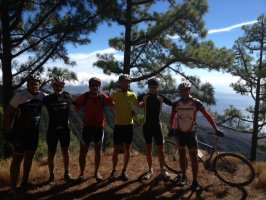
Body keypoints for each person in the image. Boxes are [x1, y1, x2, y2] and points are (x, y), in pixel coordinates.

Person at [170, 82, 224, 190]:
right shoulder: (176, 103)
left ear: (189, 90)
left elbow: (207, 115)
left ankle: (195, 181)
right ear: (180, 92)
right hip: (180, 133)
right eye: (182, 90)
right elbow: (172, 117)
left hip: (191, 133)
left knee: (194, 158)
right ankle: (184, 177)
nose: (184, 92)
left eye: (186, 90)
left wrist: (216, 129)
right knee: (181, 155)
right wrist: (171, 128)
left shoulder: (196, 102)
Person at [4, 75, 46, 194]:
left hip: (33, 133)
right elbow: (8, 113)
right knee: (17, 159)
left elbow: (53, 99)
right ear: (27, 84)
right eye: (32, 83)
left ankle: (25, 182)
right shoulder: (20, 96)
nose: (34, 85)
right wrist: (8, 130)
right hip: (20, 133)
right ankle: (12, 188)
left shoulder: (42, 95)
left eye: (37, 83)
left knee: (29, 157)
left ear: (39, 85)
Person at [73, 77, 114, 182]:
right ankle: (81, 174)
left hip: (99, 128)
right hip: (87, 127)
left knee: (97, 150)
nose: (95, 87)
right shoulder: (85, 97)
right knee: (83, 151)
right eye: (93, 85)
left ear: (99, 87)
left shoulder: (102, 97)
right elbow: (75, 106)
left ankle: (96, 173)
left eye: (97, 85)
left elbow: (113, 105)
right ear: (89, 86)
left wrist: (113, 97)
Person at [138, 78, 173, 180]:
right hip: (147, 126)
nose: (153, 88)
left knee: (161, 149)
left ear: (158, 87)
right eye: (151, 86)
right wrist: (140, 104)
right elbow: (133, 99)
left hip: (157, 126)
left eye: (155, 86)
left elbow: (173, 104)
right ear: (148, 87)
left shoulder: (161, 97)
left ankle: (162, 170)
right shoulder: (144, 96)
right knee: (149, 149)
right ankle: (150, 170)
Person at [42, 78, 74, 184]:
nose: (58, 87)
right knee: (51, 153)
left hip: (65, 130)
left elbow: (77, 105)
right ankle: (51, 176)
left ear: (63, 87)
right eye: (56, 86)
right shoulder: (48, 98)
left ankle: (67, 173)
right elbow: (37, 99)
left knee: (65, 151)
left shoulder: (67, 97)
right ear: (53, 87)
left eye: (60, 86)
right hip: (52, 130)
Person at [109, 74, 139, 181]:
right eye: (124, 82)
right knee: (116, 148)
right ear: (119, 83)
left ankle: (124, 171)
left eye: (128, 82)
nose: (126, 84)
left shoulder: (132, 95)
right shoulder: (114, 94)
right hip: (118, 124)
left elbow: (138, 106)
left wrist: (133, 113)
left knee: (127, 148)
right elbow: (108, 102)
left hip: (128, 125)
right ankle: (113, 170)